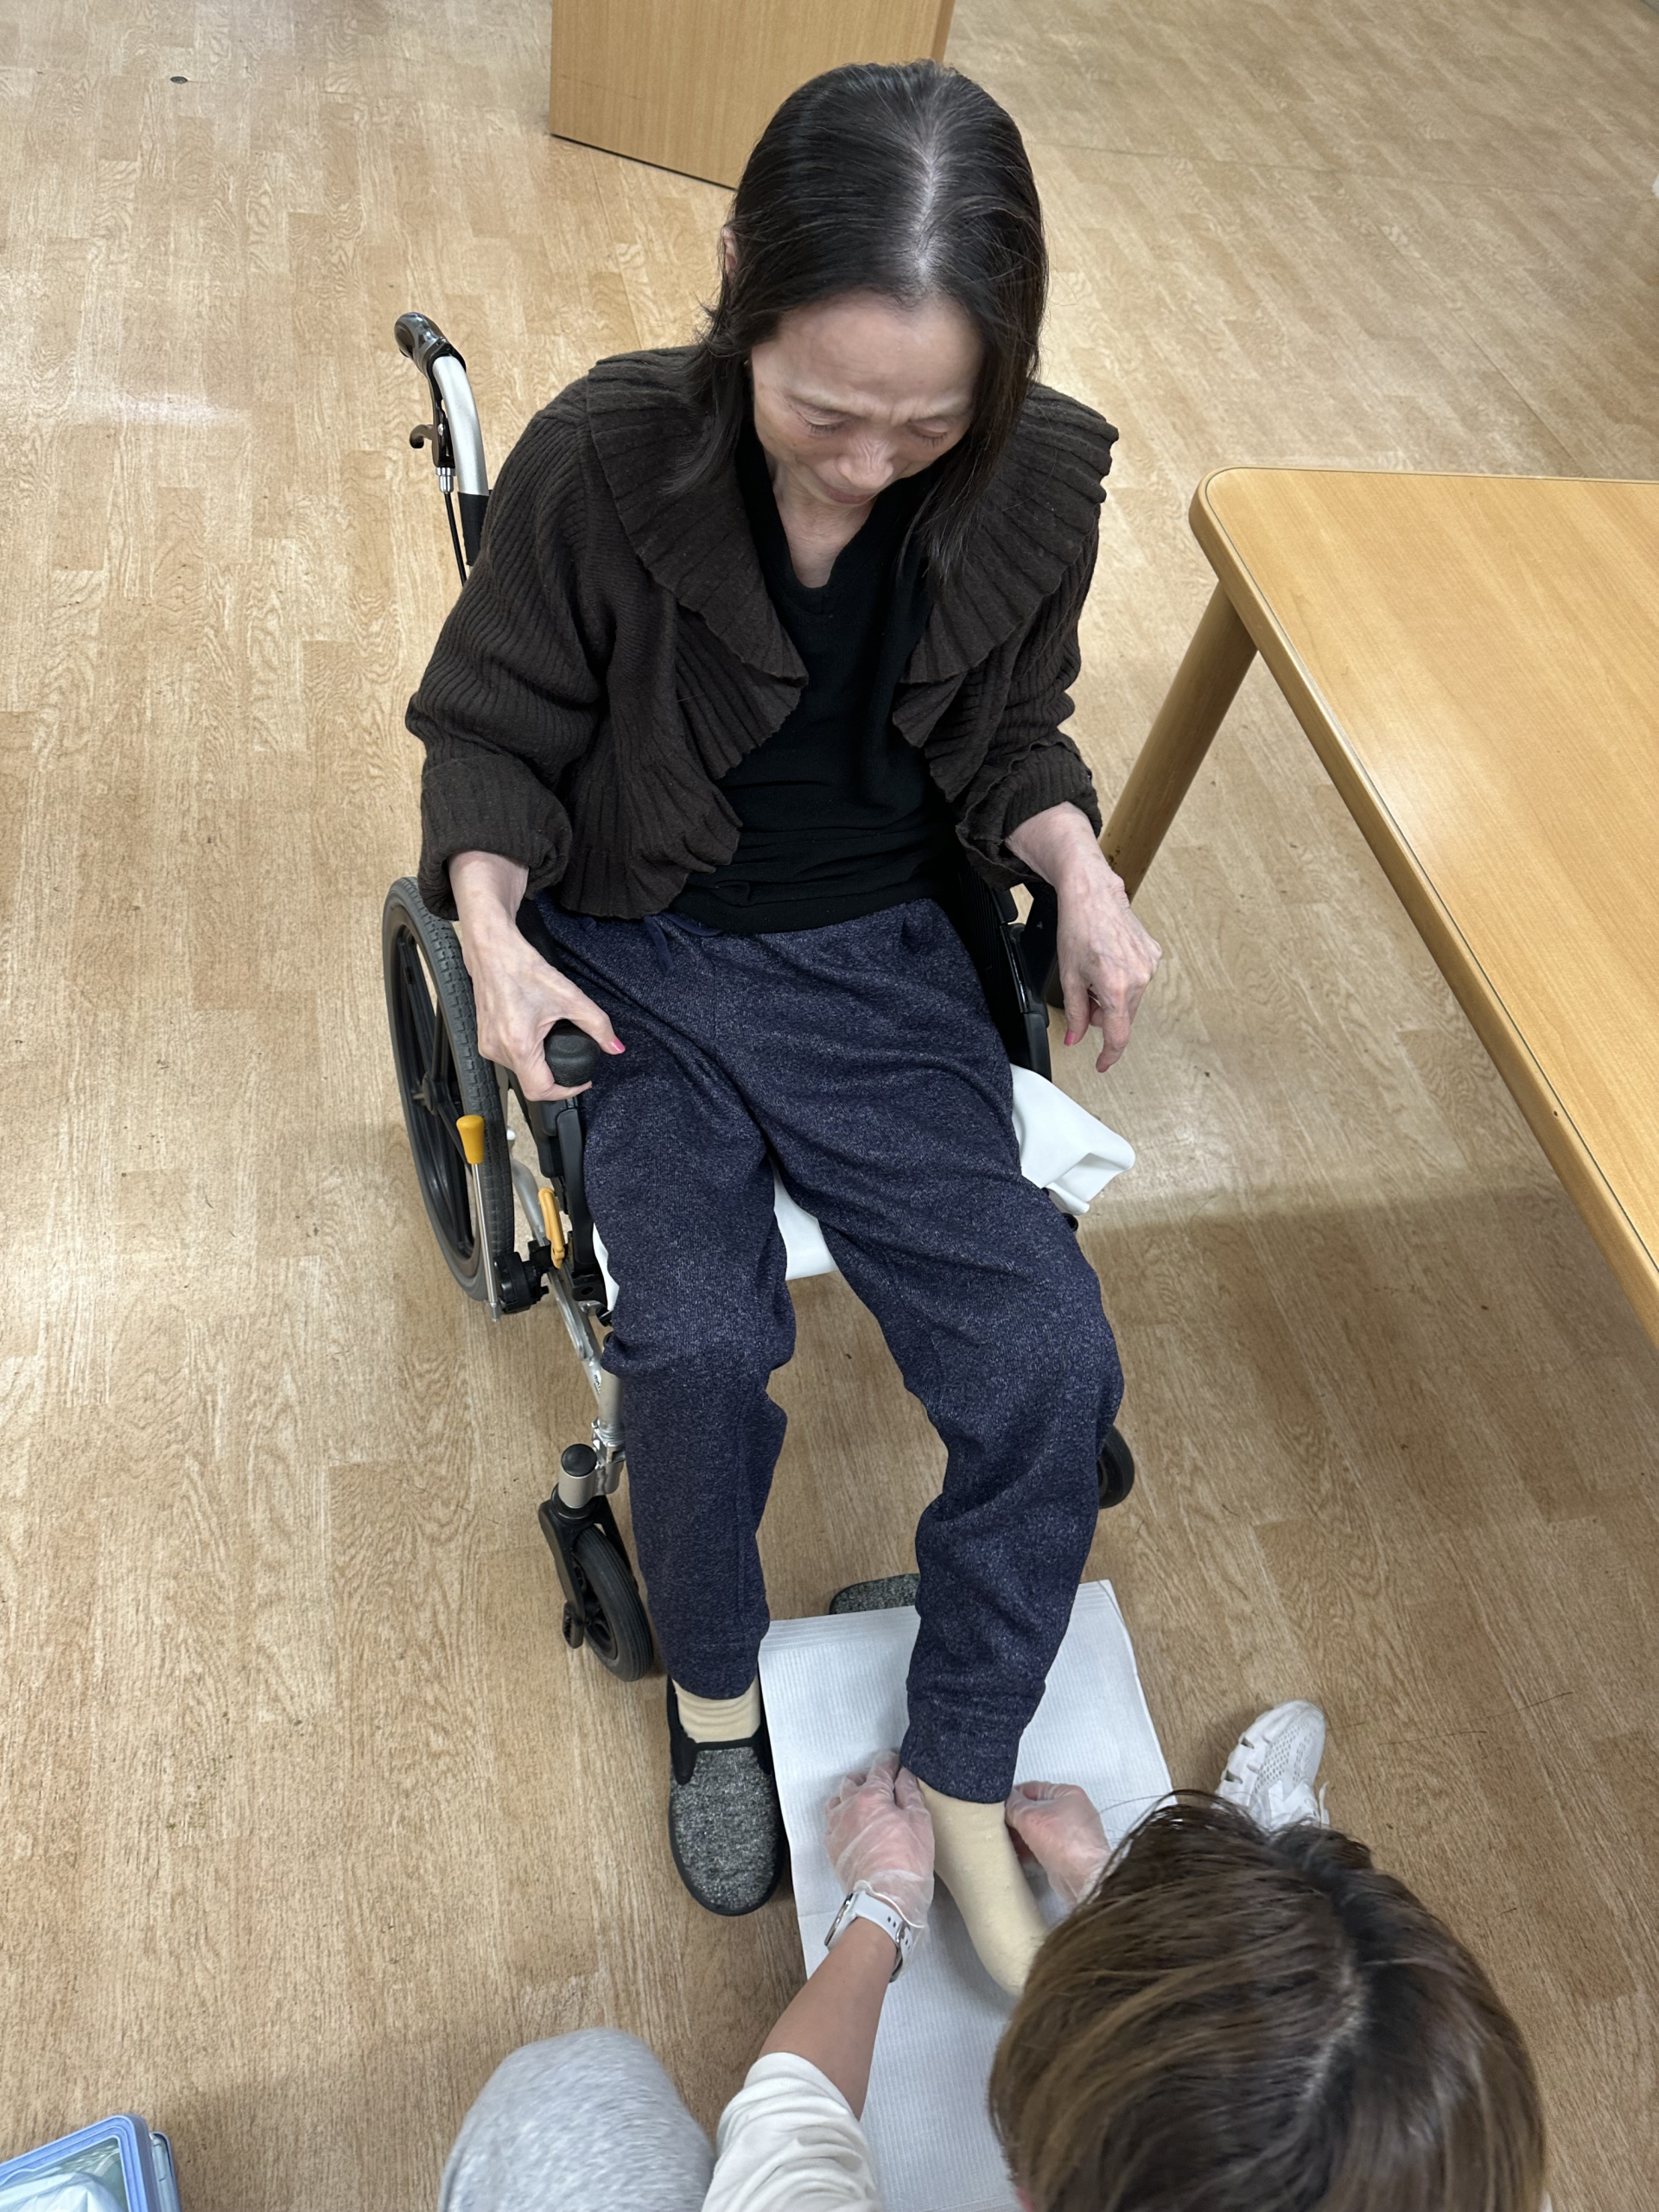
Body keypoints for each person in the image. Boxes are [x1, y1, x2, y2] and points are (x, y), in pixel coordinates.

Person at [406, 57, 1161, 1927]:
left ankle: (966, 1754)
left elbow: (1014, 736)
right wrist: (492, 930)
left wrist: (1080, 871)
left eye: (928, 425)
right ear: (739, 280)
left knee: (1049, 1358)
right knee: (687, 1345)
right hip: (633, 950)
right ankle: (716, 1697)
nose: (869, 465)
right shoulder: (607, 460)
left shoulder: (1032, 483)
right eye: (826, 410)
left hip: (880, 966)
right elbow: (493, 730)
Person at [435, 1704, 1549, 2212]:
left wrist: (883, 1901)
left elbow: (791, 2132)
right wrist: (1116, 1890)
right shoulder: (1462, 2174)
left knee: (565, 2099)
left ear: (1025, 2181)